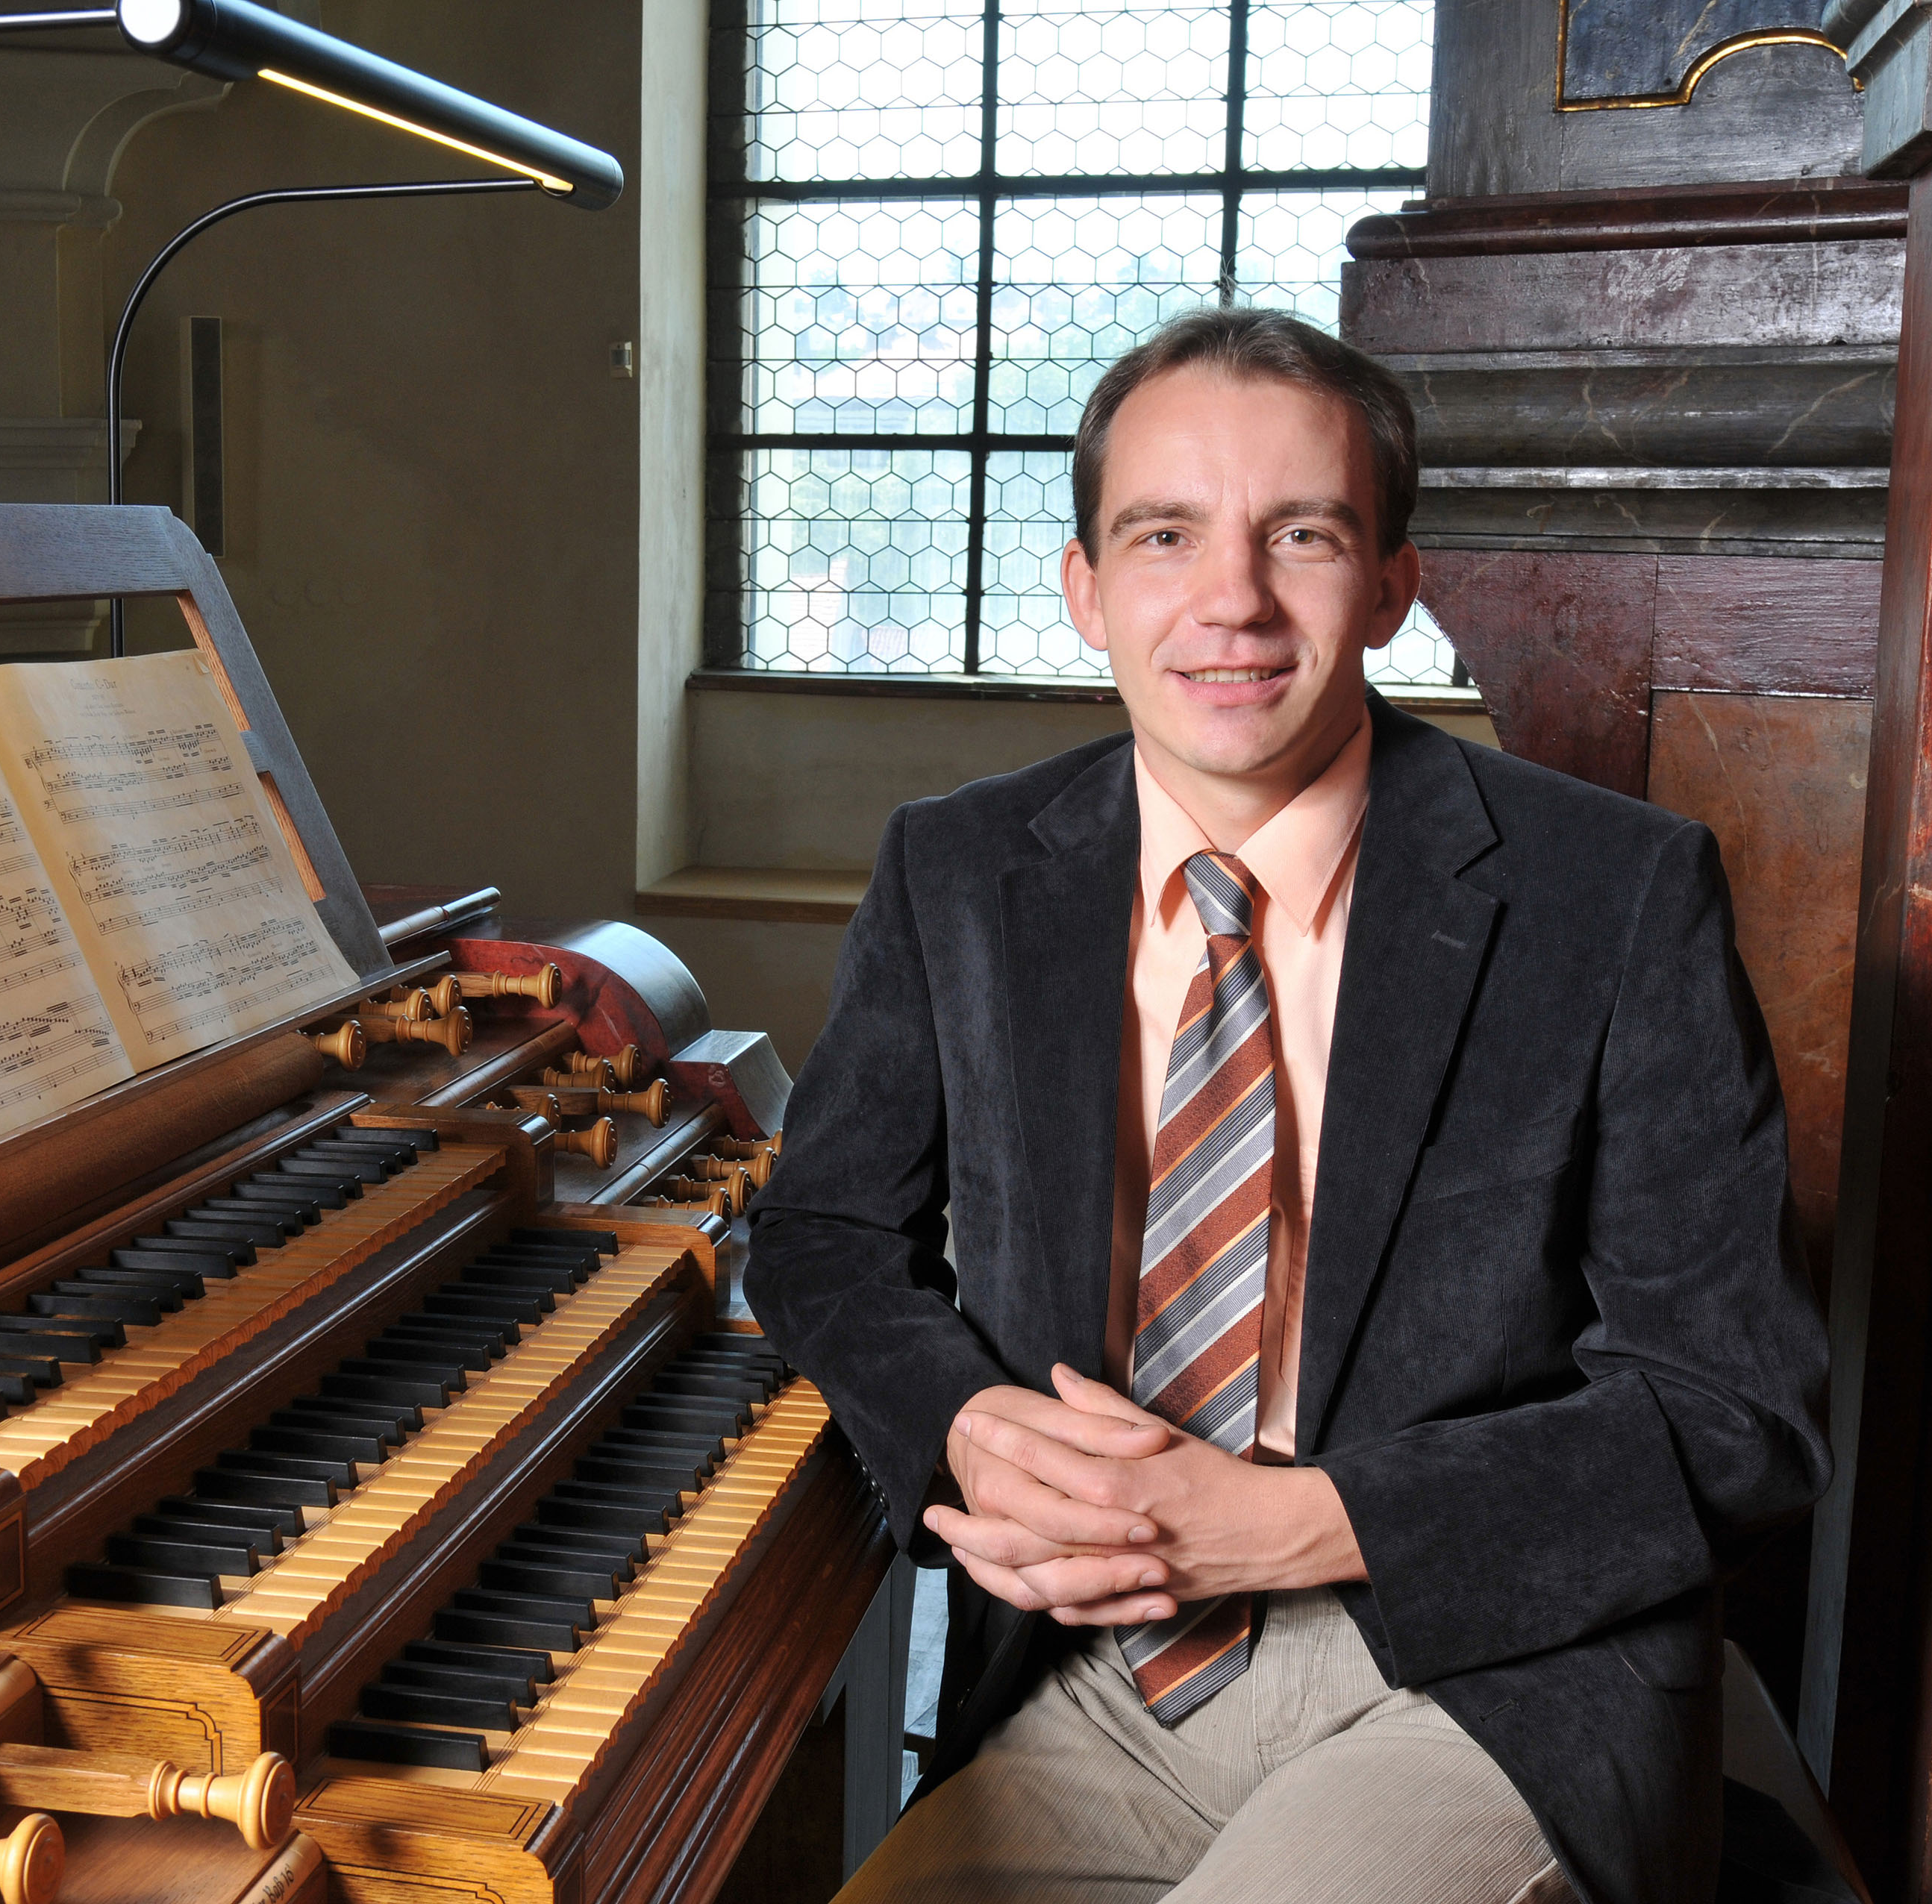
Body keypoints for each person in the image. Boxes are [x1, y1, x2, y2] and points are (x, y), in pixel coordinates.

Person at [742, 307, 1830, 1904]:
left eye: (1301, 535)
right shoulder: (956, 871)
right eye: (1163, 535)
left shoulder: (1612, 892)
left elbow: (1736, 1413)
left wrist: (1279, 1526)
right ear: (1085, 589)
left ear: (1390, 585)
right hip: (1091, 1688)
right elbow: (823, 1234)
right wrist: (963, 1425)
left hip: (1486, 1683)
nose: (1231, 600)